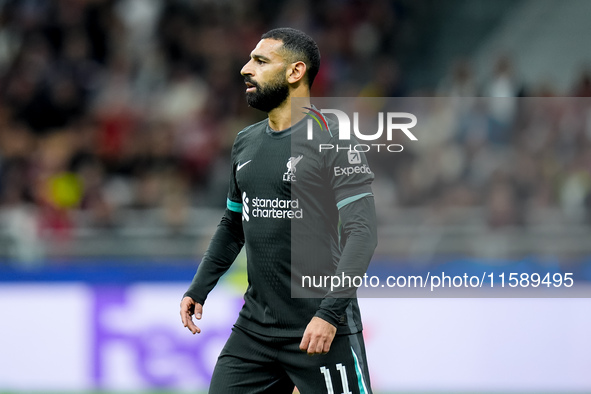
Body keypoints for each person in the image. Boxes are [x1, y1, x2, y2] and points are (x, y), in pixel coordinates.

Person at [180, 27, 377, 394]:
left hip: (319, 330)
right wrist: (200, 287)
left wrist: (329, 314)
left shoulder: (334, 140)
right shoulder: (246, 142)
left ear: (295, 72)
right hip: (255, 333)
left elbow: (362, 234)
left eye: (260, 61)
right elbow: (233, 223)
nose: (245, 69)